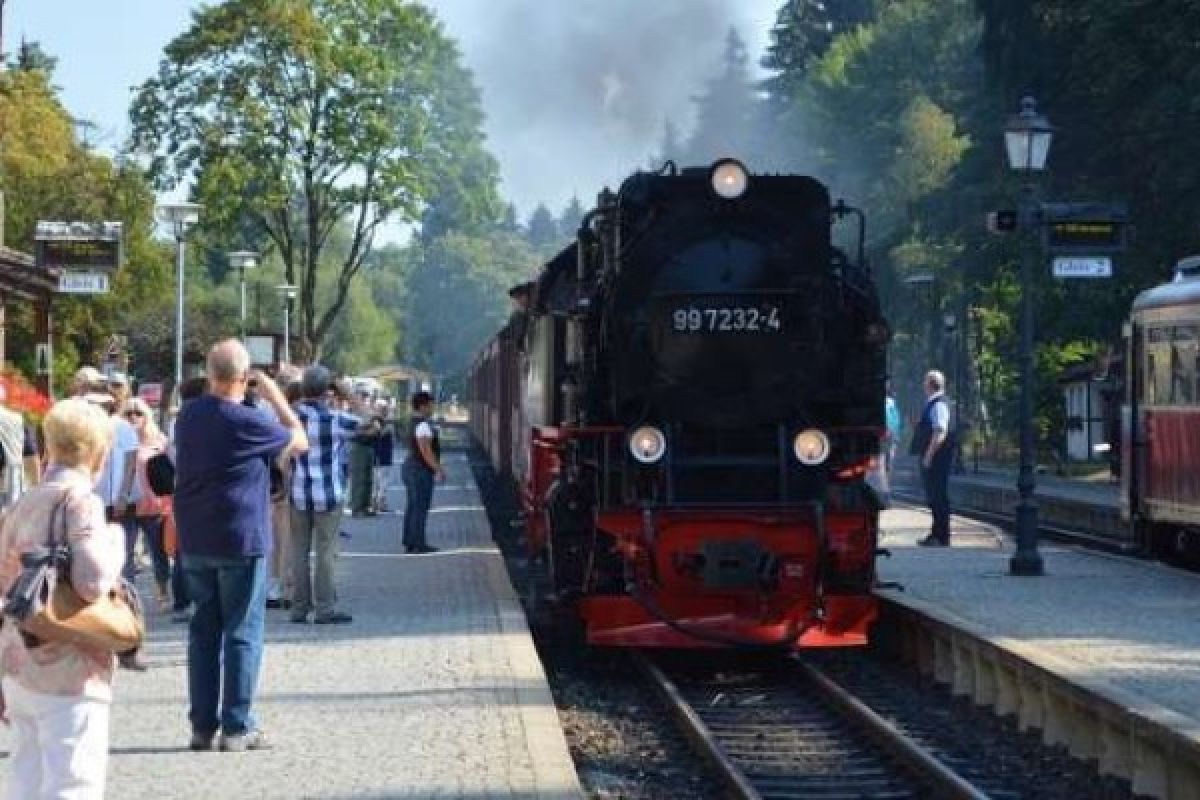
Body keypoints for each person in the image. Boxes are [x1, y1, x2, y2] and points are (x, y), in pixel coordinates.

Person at [174, 340, 307, 752]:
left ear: (210, 373)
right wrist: (274, 395)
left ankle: (200, 727)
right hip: (240, 540)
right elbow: (298, 439)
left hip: (195, 538)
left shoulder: (188, 417)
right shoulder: (248, 422)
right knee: (242, 633)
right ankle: (237, 727)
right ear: (244, 376)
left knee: (202, 633)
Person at [0, 397, 127, 798]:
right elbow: (91, 582)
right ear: (98, 452)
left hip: (20, 663)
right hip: (70, 666)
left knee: (27, 780)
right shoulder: (81, 502)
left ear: (50, 444)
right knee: (72, 784)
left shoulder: (23, 504)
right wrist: (116, 542)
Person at [288, 367, 374, 625]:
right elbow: (369, 420)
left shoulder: (292, 417)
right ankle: (325, 608)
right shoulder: (336, 419)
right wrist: (348, 393)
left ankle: (299, 608)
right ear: (328, 392)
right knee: (325, 552)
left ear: (303, 390)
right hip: (329, 494)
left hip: (299, 493)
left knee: (299, 551)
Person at [124, 396, 173, 613]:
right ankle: (128, 597)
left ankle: (163, 592)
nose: (134, 417)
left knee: (158, 552)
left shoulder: (159, 441)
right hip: (126, 505)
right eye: (129, 413)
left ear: (147, 416)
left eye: (138, 413)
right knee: (125, 553)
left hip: (154, 505)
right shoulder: (118, 439)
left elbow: (168, 474)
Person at [910, 370, 954, 547]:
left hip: (937, 458)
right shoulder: (935, 403)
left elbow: (940, 431)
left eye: (925, 381)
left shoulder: (939, 404)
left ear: (930, 384)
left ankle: (941, 536)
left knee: (938, 496)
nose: (923, 385)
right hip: (936, 457)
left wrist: (928, 455)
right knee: (934, 496)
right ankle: (937, 533)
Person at [402, 391, 445, 554]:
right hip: (419, 471)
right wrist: (438, 469)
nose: (432, 408)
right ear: (423, 405)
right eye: (431, 404)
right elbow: (426, 451)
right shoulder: (422, 425)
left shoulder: (412, 422)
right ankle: (419, 543)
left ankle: (409, 541)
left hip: (411, 468)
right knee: (420, 507)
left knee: (412, 506)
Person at [372, 401, 395, 513]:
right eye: (384, 408)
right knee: (381, 481)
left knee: (379, 480)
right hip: (382, 455)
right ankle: (380, 503)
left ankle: (377, 502)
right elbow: (381, 432)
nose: (385, 410)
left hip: (380, 454)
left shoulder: (375, 421)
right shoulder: (384, 423)